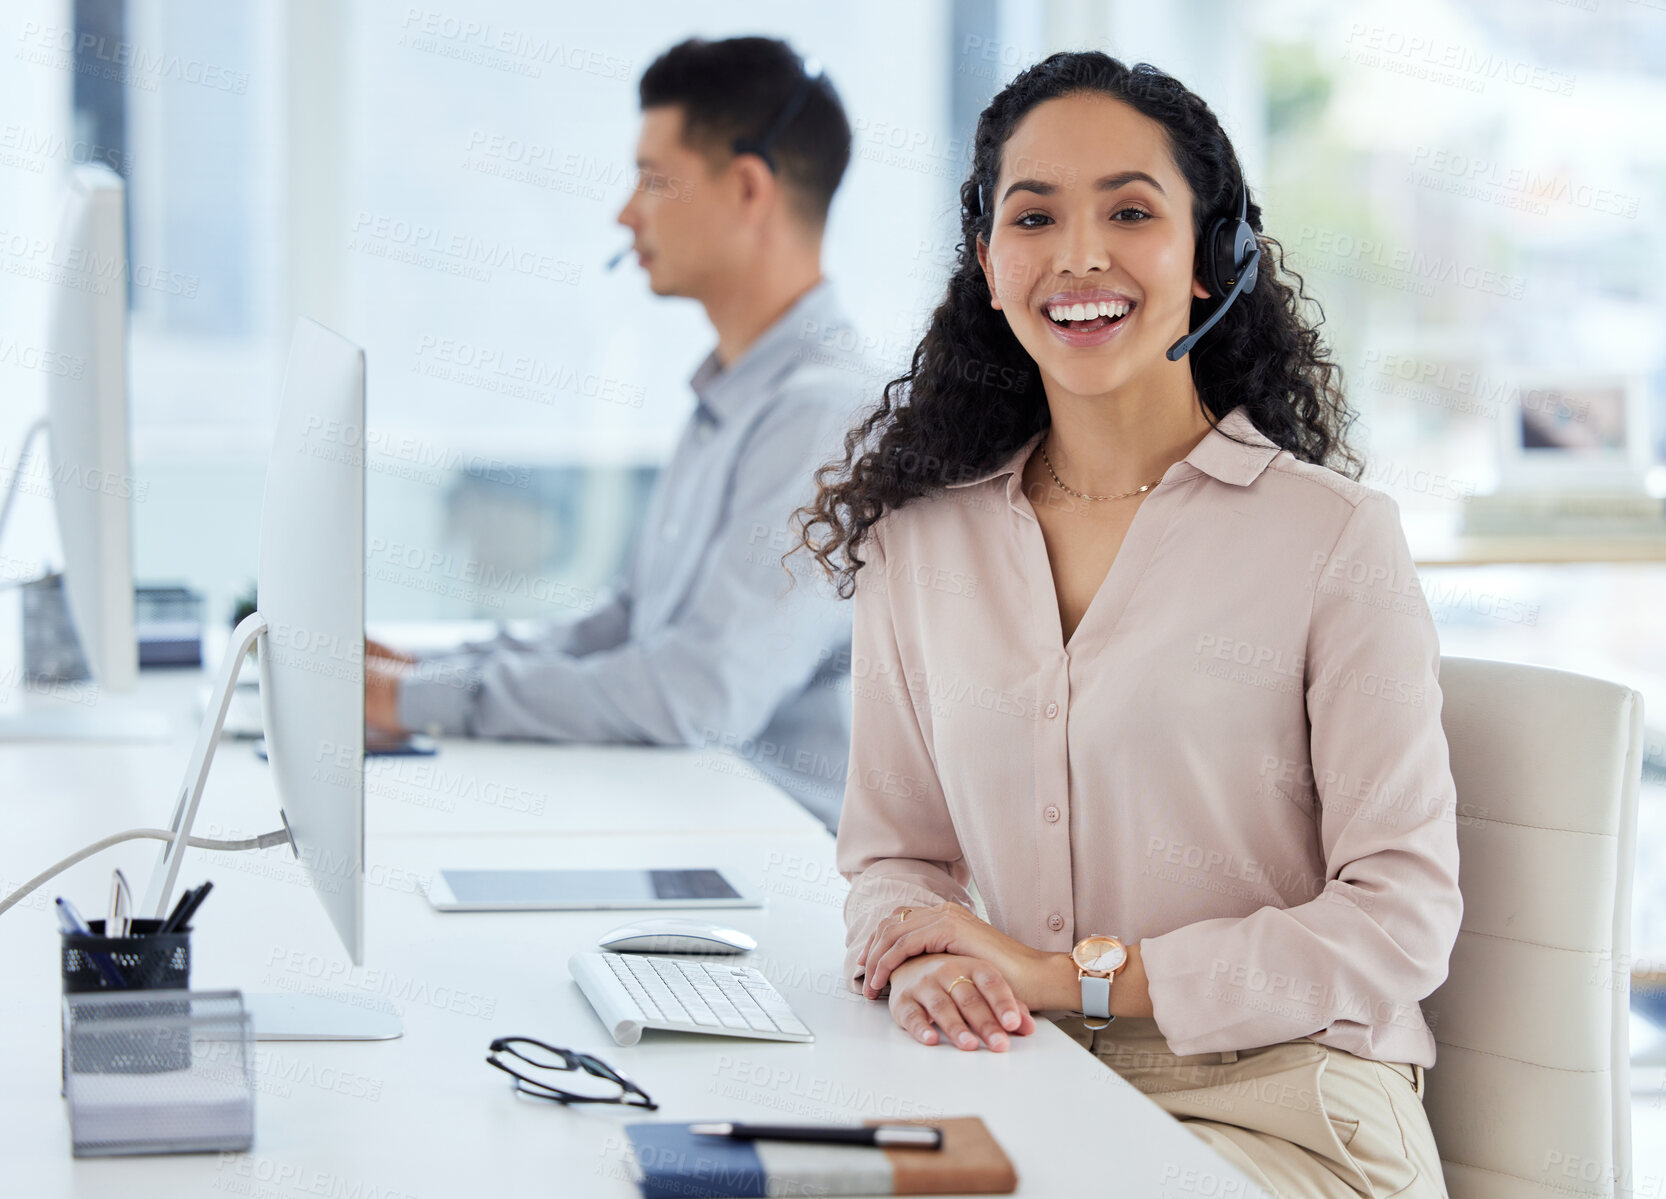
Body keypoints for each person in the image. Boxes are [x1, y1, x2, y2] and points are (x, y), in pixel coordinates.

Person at [792, 52, 1460, 1198]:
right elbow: (895, 855)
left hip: (1288, 1105)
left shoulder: (1331, 538)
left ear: (1211, 260)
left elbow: (1398, 918)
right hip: (1025, 1080)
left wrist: (1070, 977)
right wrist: (920, 958)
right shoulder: (922, 542)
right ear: (989, 266)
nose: (1079, 254)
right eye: (1034, 214)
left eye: (1131, 212)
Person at [368, 37, 866, 832]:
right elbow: (626, 623)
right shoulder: (735, 395)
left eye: (651, 179)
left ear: (747, 188)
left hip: (779, 863)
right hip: (689, 815)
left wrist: (410, 699)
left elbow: (697, 694)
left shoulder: (823, 416)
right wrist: (425, 668)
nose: (624, 213)